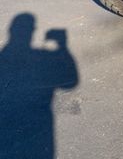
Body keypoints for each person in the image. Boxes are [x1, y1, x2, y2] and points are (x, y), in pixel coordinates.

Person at [0, 14, 78, 159]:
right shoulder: (38, 56)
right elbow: (71, 83)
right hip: (38, 130)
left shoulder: (4, 55)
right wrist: (62, 47)